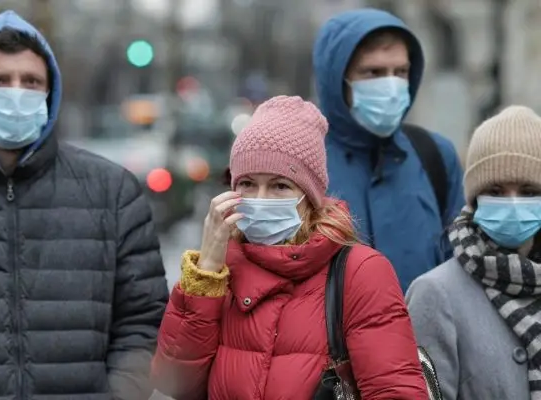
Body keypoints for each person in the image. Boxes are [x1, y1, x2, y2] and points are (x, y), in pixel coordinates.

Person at [0, 10, 168, 400]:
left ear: (51, 93)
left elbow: (144, 321)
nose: (16, 93)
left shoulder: (111, 192)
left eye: (31, 82)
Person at [151, 96, 428, 399]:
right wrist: (206, 272)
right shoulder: (220, 272)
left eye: (280, 185)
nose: (261, 198)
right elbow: (173, 381)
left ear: (309, 196)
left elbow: (395, 390)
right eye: (247, 184)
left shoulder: (360, 273)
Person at [312, 8, 465, 291]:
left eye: (401, 72)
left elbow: (459, 271)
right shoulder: (302, 162)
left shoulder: (435, 156)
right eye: (374, 72)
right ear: (337, 78)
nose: (391, 86)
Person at [407, 105, 541, 399]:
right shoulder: (435, 294)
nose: (513, 203)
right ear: (475, 198)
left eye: (529, 191)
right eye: (495, 190)